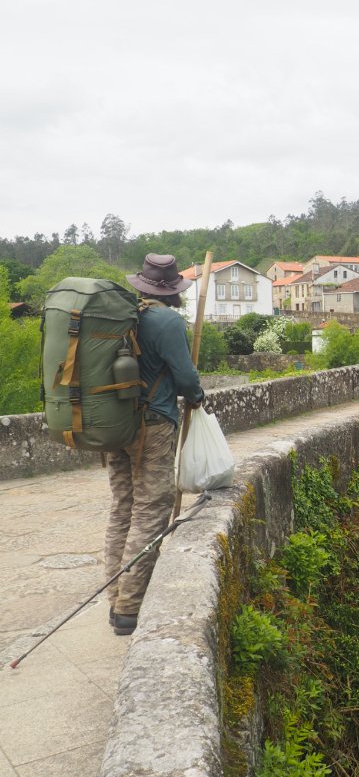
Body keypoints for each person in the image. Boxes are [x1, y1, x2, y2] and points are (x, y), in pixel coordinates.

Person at [105, 254, 205, 635]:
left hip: (115, 423)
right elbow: (184, 377)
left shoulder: (125, 314)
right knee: (150, 511)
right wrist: (196, 394)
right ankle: (130, 608)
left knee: (122, 508)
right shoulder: (167, 320)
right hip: (154, 425)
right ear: (173, 290)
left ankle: (115, 598)